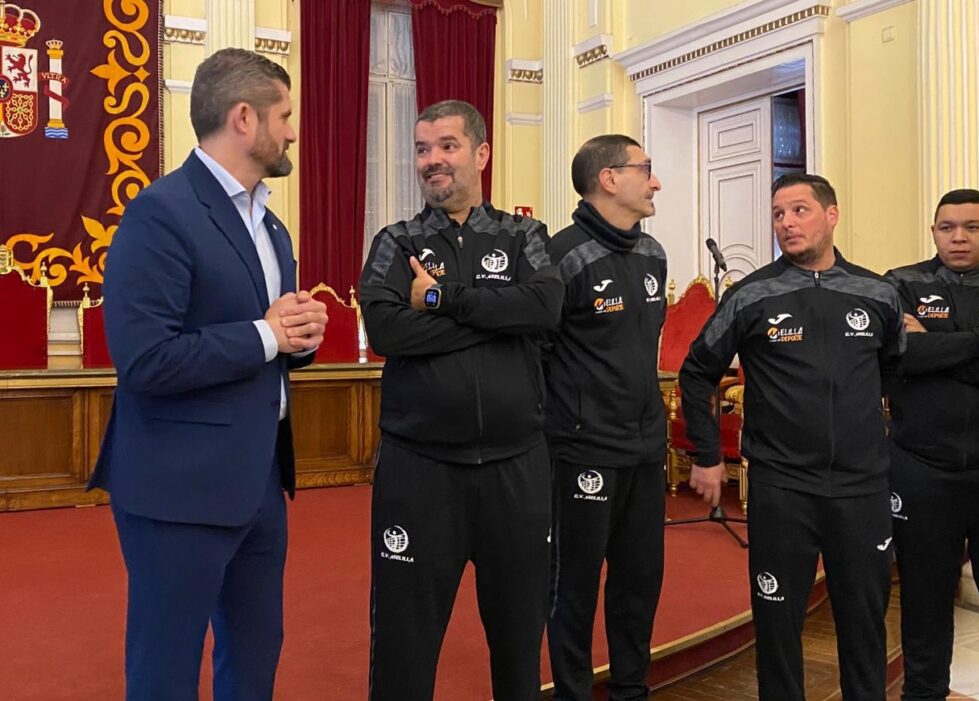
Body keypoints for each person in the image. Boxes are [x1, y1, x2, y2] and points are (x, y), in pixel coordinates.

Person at [88, 48, 327, 700]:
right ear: (244, 118)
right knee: (166, 668)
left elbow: (269, 339)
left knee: (254, 657)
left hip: (259, 482)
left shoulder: (272, 226)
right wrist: (267, 334)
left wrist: (297, 338)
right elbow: (145, 358)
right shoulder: (160, 211)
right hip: (177, 486)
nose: (293, 131)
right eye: (285, 115)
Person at [358, 99, 564, 700]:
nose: (432, 160)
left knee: (520, 641)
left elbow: (544, 307)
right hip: (419, 471)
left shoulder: (524, 236)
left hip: (515, 467)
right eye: (422, 149)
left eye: (447, 146)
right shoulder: (395, 241)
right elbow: (387, 330)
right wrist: (498, 319)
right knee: (403, 643)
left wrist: (442, 300)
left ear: (481, 153)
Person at [680, 174, 904, 700]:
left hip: (861, 488)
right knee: (778, 626)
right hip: (782, 488)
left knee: (864, 622)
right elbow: (696, 372)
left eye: (800, 210)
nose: (786, 223)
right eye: (778, 213)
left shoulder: (878, 293)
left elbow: (894, 372)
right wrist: (708, 454)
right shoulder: (750, 295)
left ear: (832, 215)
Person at [885, 188, 979, 701]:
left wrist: (934, 345)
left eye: (971, 227)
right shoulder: (900, 284)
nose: (958, 237)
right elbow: (899, 359)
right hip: (921, 471)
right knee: (923, 598)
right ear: (934, 232)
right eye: (947, 227)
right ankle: (923, 694)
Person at [543, 135, 666, 700]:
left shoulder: (653, 253)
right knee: (573, 585)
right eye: (646, 169)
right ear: (610, 179)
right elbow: (537, 354)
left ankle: (630, 689)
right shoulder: (560, 255)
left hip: (645, 448)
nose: (656, 181)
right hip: (581, 450)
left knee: (640, 581)